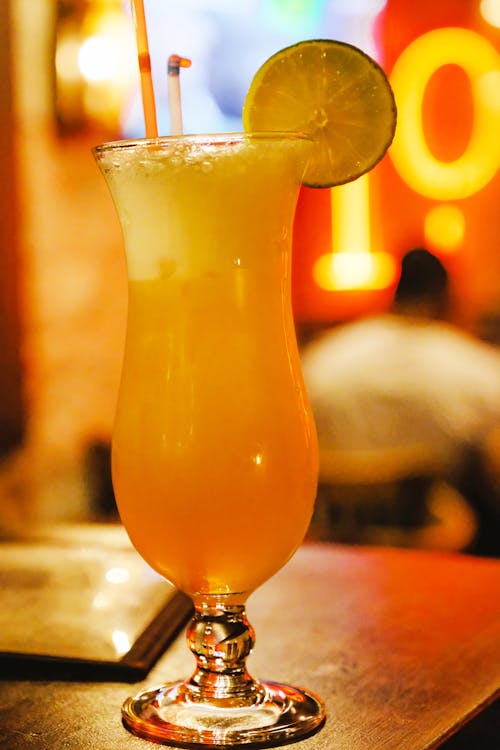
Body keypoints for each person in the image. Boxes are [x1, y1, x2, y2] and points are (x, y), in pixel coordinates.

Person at [301, 248, 500, 555]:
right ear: (445, 296)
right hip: (443, 544)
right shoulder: (469, 365)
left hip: (325, 537)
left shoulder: (325, 357)